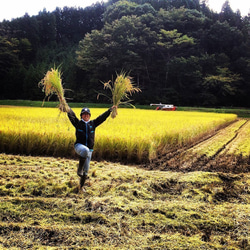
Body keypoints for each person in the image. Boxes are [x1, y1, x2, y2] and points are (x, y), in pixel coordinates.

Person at [67, 106, 115, 192]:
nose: (85, 116)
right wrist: (66, 106)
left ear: (89, 115)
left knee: (86, 171)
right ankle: (79, 169)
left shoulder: (93, 124)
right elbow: (72, 115)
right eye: (84, 114)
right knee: (85, 150)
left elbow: (102, 118)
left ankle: (81, 187)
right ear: (81, 116)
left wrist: (110, 110)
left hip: (90, 150)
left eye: (87, 114)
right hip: (79, 146)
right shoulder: (78, 123)